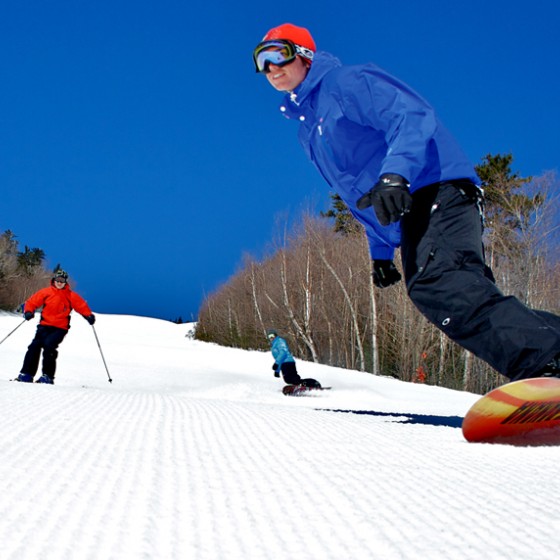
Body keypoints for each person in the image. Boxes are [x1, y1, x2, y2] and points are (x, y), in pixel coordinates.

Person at [253, 24, 560, 382]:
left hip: (435, 186)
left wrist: (396, 174)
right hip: (413, 205)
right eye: (262, 60)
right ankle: (548, 357)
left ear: (304, 55)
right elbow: (360, 194)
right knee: (454, 289)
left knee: (440, 283)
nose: (271, 67)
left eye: (279, 54)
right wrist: (380, 254)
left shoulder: (344, 83)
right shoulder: (309, 129)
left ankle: (546, 364)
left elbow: (410, 115)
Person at [15, 270, 96, 384]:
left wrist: (88, 316)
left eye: (62, 281)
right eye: (57, 280)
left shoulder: (70, 295)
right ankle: (27, 374)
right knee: (34, 346)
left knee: (49, 345)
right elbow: (32, 302)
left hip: (59, 328)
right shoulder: (46, 292)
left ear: (65, 282)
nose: (59, 282)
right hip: (44, 326)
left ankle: (47, 376)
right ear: (54, 280)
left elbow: (81, 305)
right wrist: (28, 311)